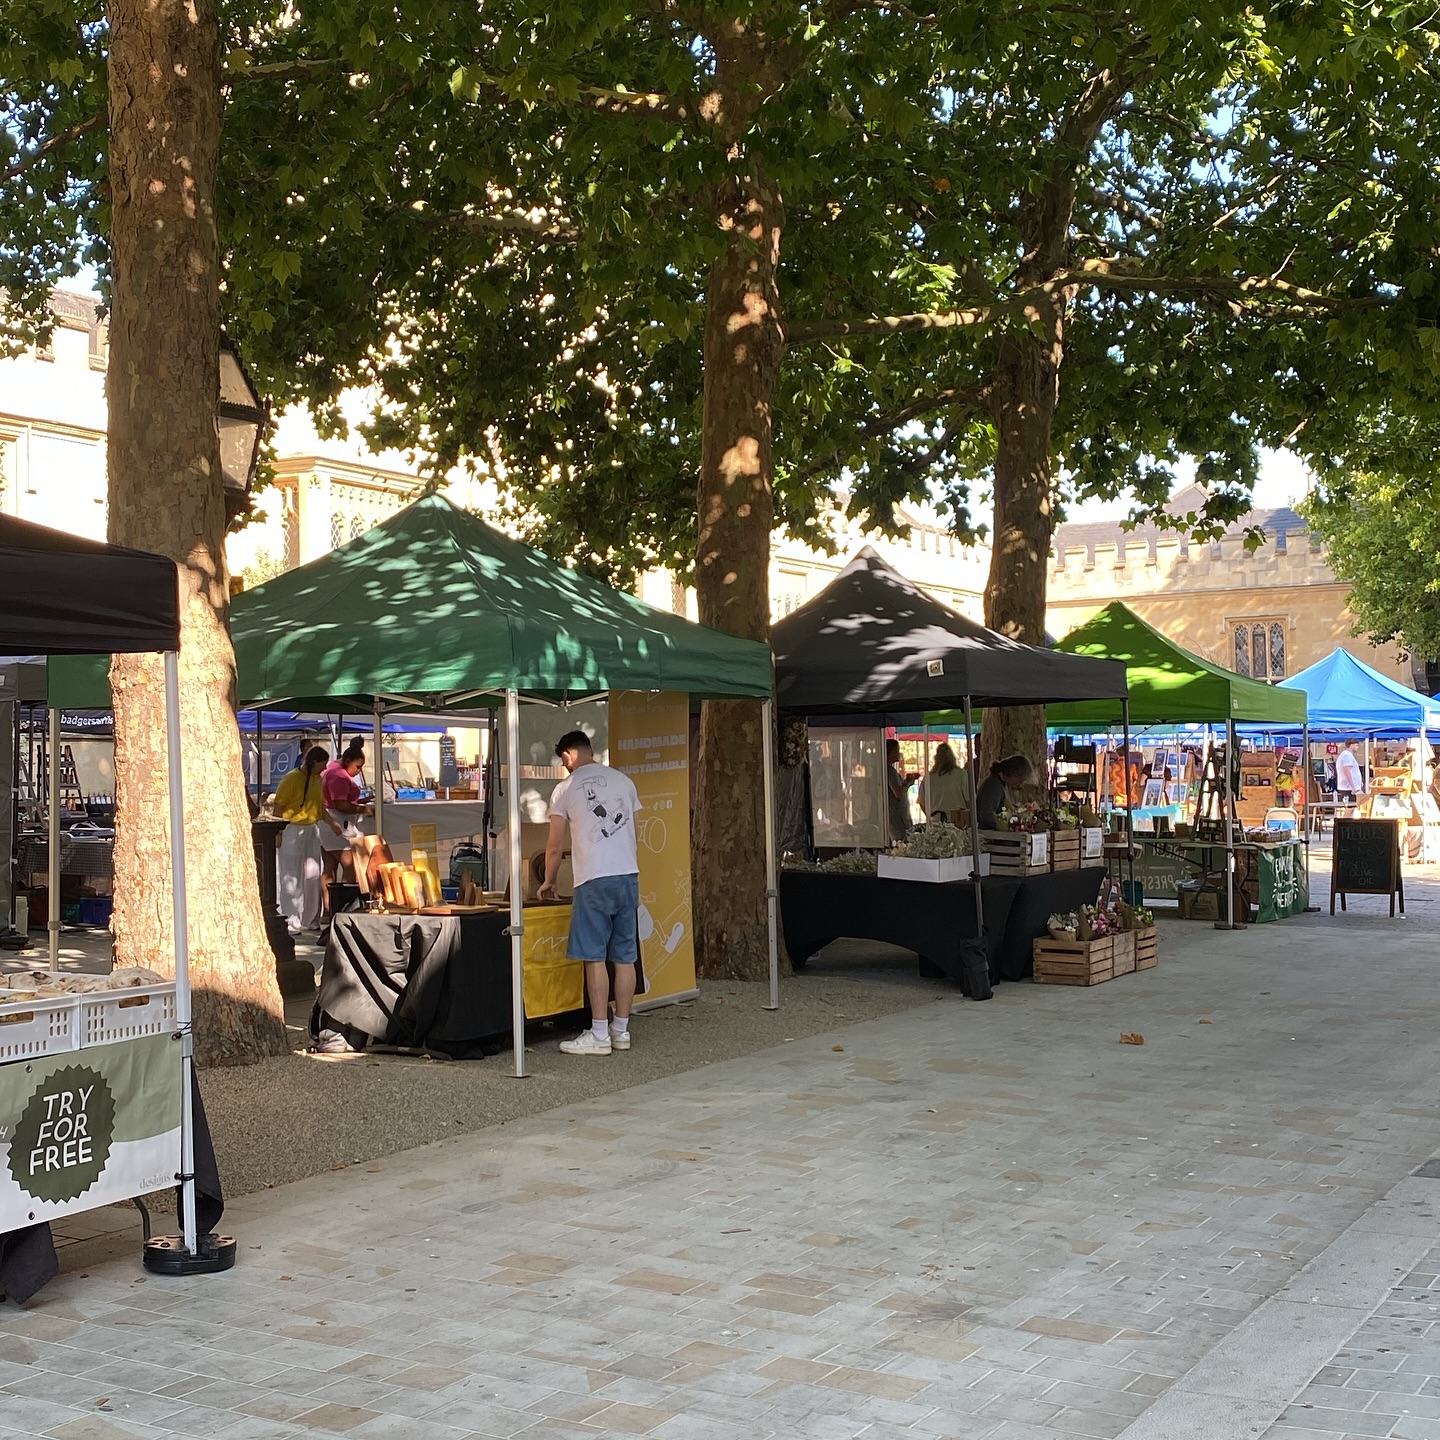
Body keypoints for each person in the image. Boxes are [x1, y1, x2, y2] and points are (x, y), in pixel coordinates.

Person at [540, 730, 642, 1056]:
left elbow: (555, 845)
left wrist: (548, 881)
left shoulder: (565, 788)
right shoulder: (624, 782)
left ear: (567, 755)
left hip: (593, 878)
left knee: (594, 956)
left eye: (563, 761)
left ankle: (599, 1033)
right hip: (628, 874)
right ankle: (621, 1030)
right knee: (625, 956)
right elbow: (635, 832)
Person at [273, 746, 336, 933]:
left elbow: (319, 808)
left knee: (313, 874)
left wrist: (332, 823)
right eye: (323, 764)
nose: (325, 768)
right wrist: (278, 832)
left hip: (311, 829)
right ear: (314, 762)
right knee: (291, 875)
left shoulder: (317, 780)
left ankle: (311, 919)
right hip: (292, 829)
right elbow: (278, 806)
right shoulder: (291, 779)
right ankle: (291, 919)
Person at [319, 741, 373, 910]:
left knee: (329, 868)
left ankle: (329, 909)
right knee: (349, 866)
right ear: (348, 761)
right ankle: (343, 906)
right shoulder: (339, 776)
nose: (359, 771)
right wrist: (362, 809)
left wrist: (359, 801)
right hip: (337, 823)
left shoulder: (332, 767)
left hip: (327, 822)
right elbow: (340, 804)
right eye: (358, 767)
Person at [975, 754, 1037, 829]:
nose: (1020, 784)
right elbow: (985, 815)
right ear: (1013, 774)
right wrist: (1010, 822)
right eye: (1020, 780)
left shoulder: (1003, 784)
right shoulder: (994, 784)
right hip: (989, 832)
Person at [920, 743, 972, 823]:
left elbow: (922, 803)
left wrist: (931, 815)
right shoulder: (961, 774)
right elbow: (969, 800)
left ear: (936, 758)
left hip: (936, 821)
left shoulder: (928, 777)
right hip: (957, 820)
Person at [886, 739, 916, 842]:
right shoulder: (890, 772)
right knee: (902, 842)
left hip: (896, 815)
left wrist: (905, 782)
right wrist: (908, 784)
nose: (898, 753)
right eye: (896, 751)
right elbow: (898, 793)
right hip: (897, 816)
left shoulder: (889, 771)